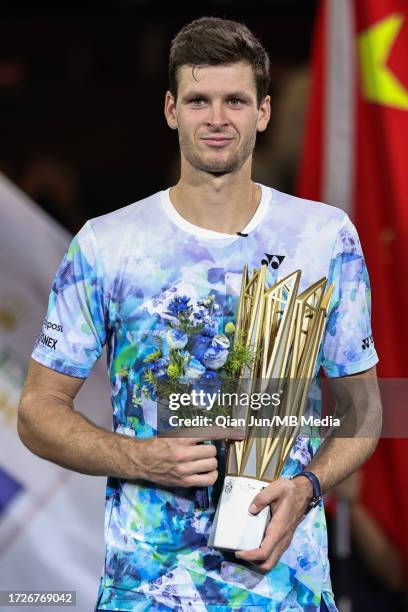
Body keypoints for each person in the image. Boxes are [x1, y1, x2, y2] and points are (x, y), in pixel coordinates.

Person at [17, 17, 381, 612]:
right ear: (170, 109)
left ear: (264, 111)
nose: (217, 119)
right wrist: (139, 457)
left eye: (235, 100)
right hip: (147, 589)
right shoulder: (107, 244)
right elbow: (36, 411)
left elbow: (364, 406)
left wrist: (308, 488)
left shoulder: (324, 236)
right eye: (198, 100)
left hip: (286, 588)